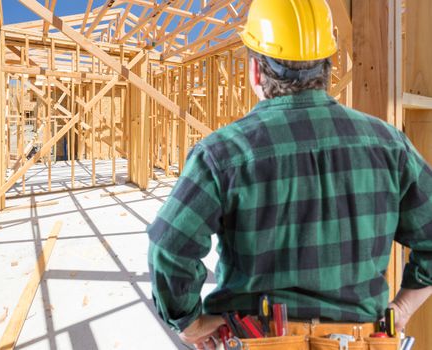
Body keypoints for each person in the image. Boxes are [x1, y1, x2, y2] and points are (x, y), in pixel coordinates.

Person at [147, 0, 432, 349]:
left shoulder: (222, 153)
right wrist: (402, 308)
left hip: (256, 339)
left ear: (256, 71)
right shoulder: (390, 146)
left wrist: (189, 321)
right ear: (328, 66)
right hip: (359, 339)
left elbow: (169, 245)